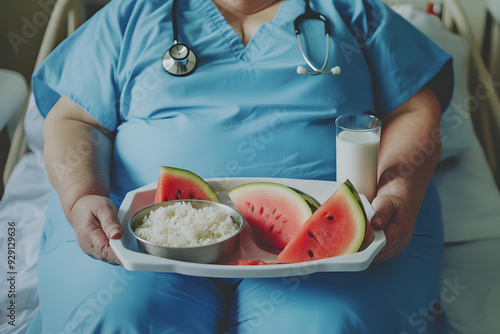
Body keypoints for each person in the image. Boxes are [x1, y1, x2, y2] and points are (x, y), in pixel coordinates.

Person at [27, 0, 453, 332]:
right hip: (147, 232)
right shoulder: (132, 14)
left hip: (335, 244)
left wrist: (400, 188)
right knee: (120, 318)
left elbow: (414, 108)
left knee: (328, 324)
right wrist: (81, 195)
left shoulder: (351, 11)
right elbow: (75, 120)